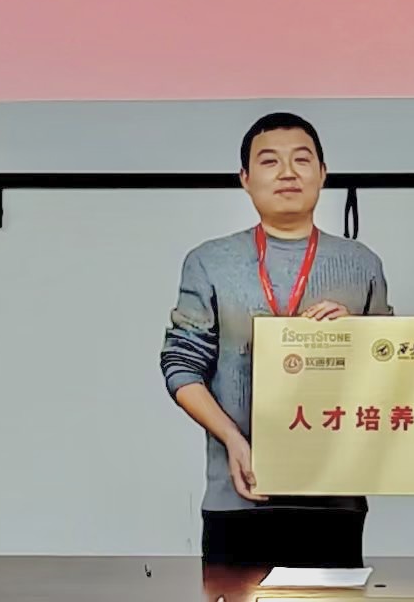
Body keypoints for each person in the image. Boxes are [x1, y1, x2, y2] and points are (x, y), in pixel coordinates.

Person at [160, 112, 392, 568]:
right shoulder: (209, 261)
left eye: (301, 160)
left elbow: (393, 366)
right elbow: (181, 365)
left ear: (322, 173)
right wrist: (232, 439)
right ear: (245, 179)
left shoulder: (361, 262)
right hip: (238, 493)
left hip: (335, 494)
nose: (288, 172)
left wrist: (357, 337)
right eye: (269, 161)